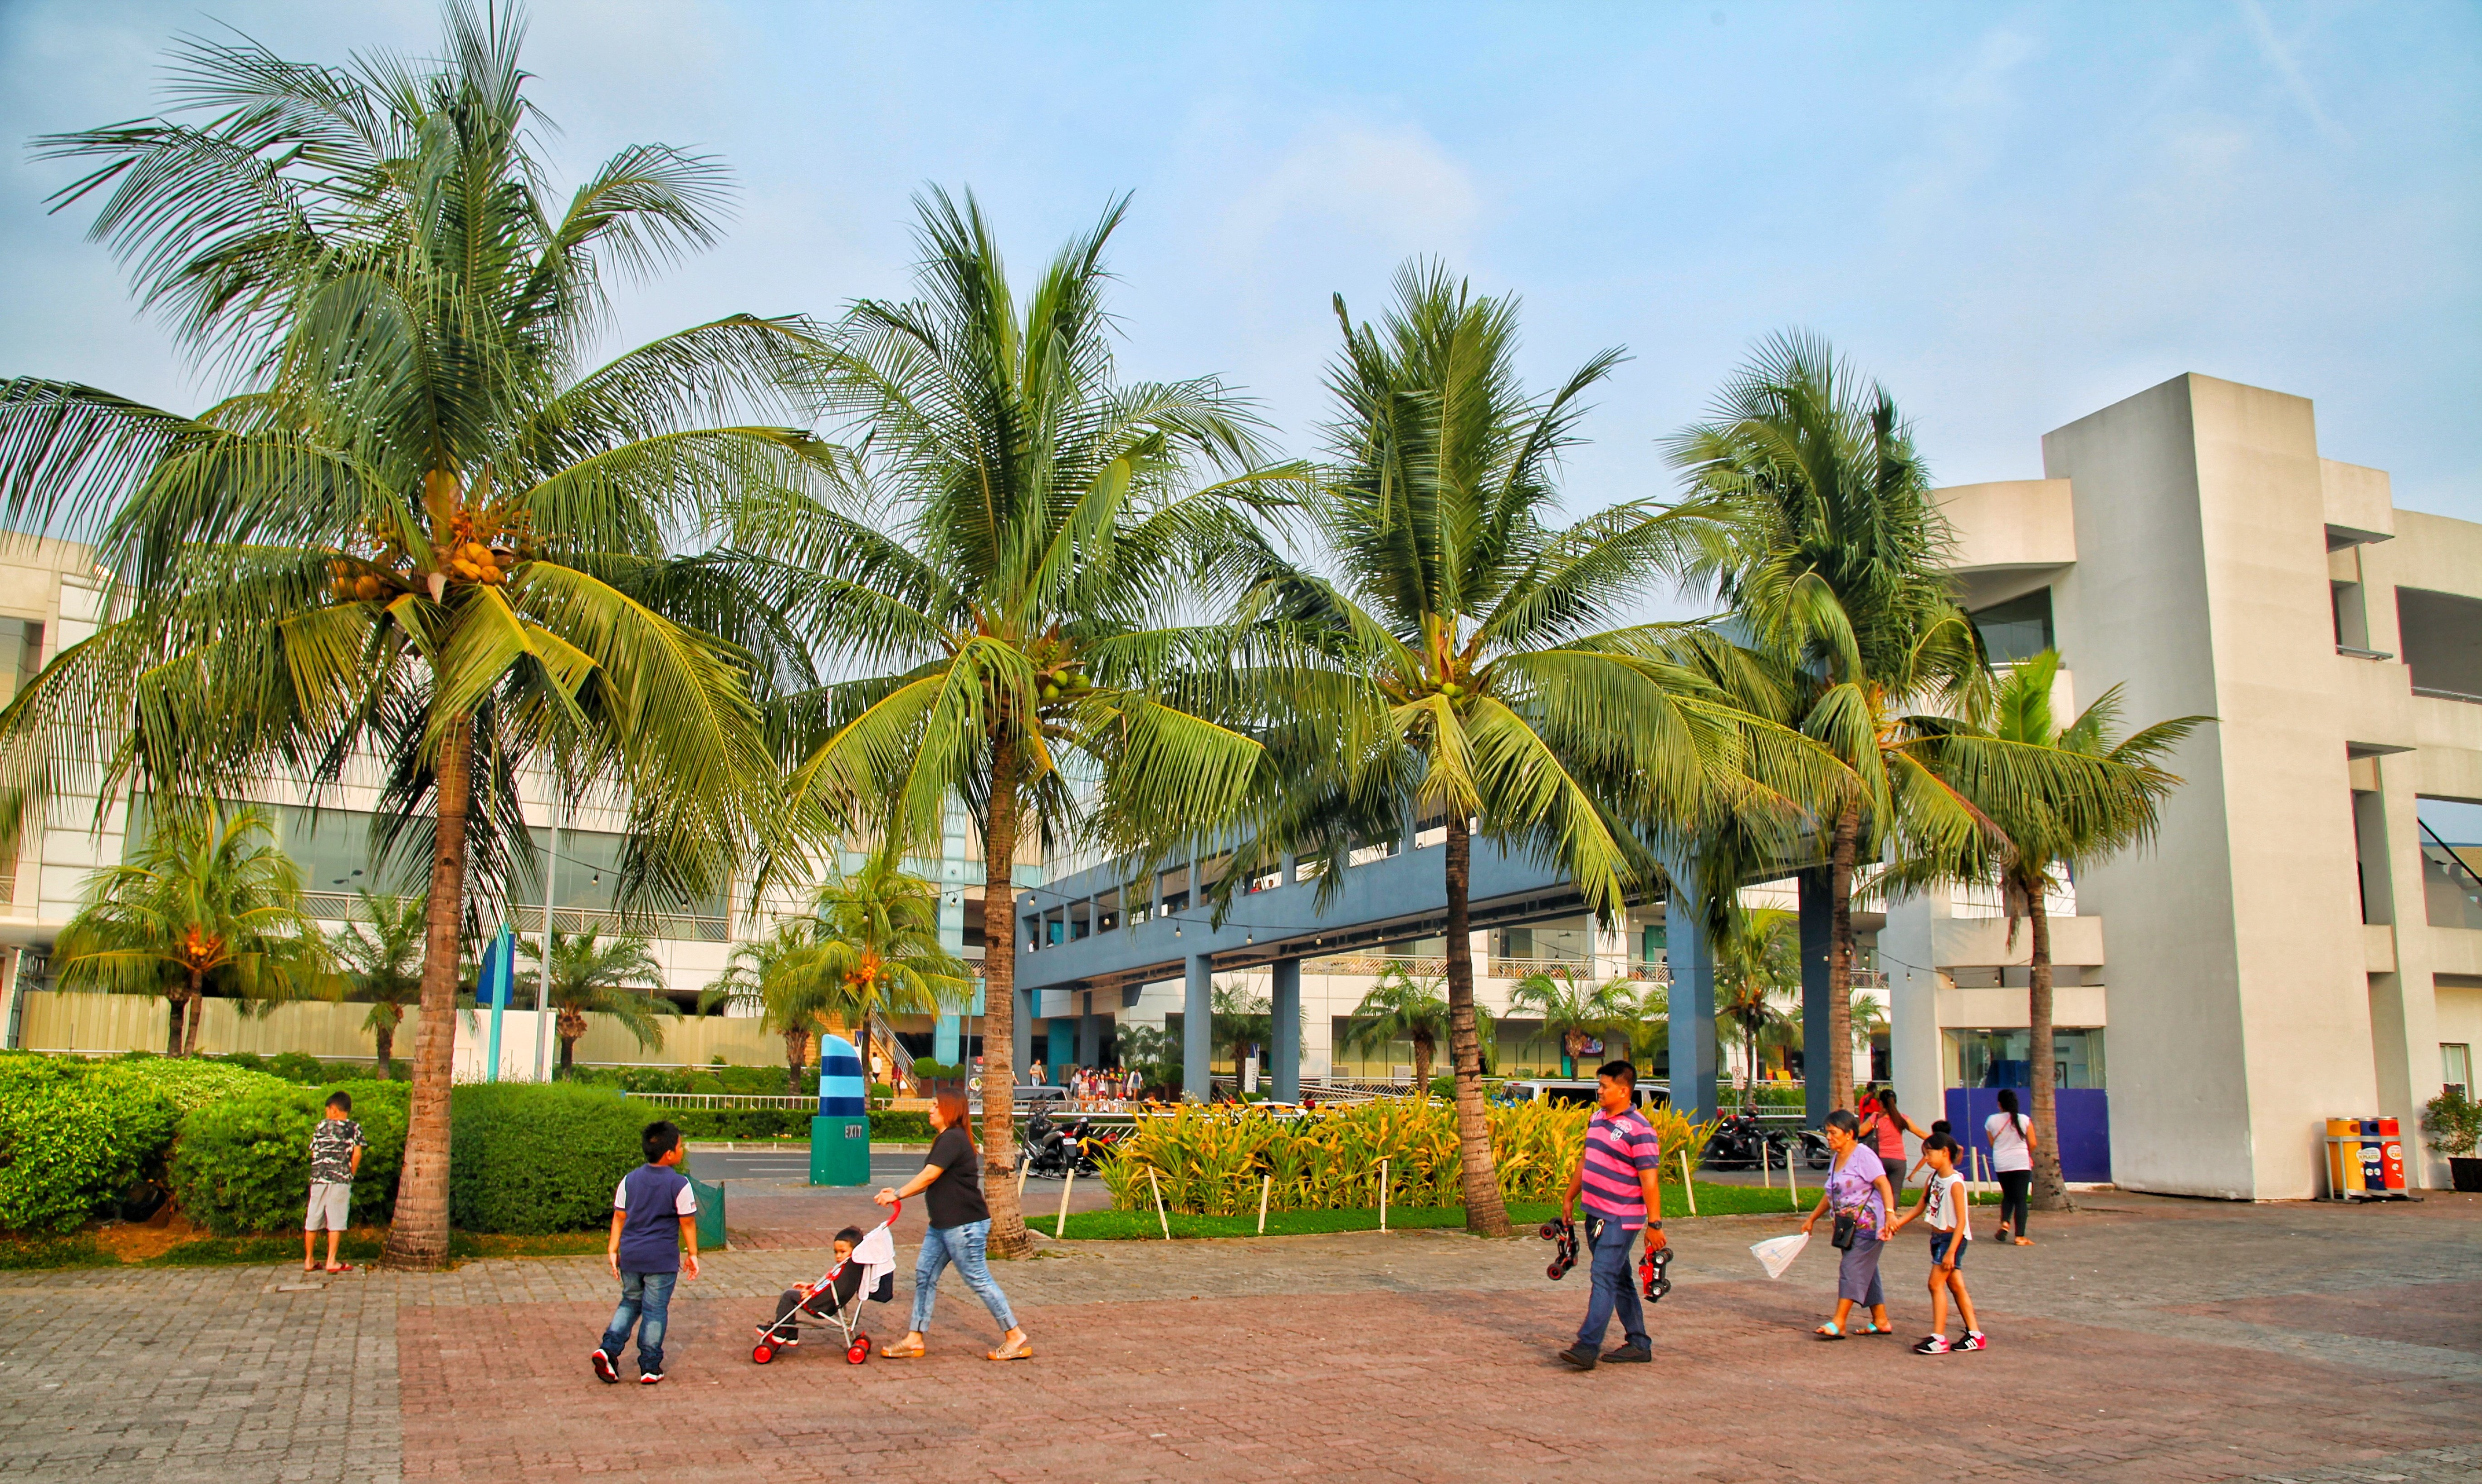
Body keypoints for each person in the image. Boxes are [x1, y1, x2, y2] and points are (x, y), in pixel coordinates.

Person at [874, 1090, 1031, 1361]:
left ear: (951, 1109)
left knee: (978, 1279)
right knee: (924, 1275)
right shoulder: (948, 1139)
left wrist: (897, 1194)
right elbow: (931, 1180)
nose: (930, 1110)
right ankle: (915, 1338)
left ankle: (1015, 1336)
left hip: (964, 1226)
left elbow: (929, 1176)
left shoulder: (953, 1138)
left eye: (936, 1105)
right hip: (943, 1225)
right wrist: (899, 1193)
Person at [1553, 1060, 1666, 1371]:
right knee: (1618, 1278)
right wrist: (1569, 1196)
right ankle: (1638, 1343)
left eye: (1604, 1086)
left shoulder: (1640, 1130)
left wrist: (1654, 1225)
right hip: (1595, 1212)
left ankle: (1587, 1346)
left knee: (1603, 1275)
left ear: (1623, 1090)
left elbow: (1650, 1181)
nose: (1599, 1091)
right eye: (1599, 1085)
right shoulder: (1597, 1119)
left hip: (1621, 1216)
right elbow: (1586, 1159)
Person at [592, 1120, 700, 1386]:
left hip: (631, 1256)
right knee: (654, 1310)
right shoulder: (680, 1184)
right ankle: (650, 1366)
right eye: (680, 1146)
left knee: (630, 1301)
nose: (682, 1150)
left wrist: (612, 1249)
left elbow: (619, 1217)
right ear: (670, 1154)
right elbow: (687, 1222)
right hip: (661, 1261)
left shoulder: (629, 1180)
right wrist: (693, 1254)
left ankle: (608, 1350)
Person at [1800, 1108, 1896, 1339]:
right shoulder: (1836, 1158)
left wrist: (1891, 1213)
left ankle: (1839, 1321)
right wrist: (1812, 1218)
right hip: (1847, 1227)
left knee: (1851, 1269)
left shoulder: (1863, 1155)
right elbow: (1831, 1192)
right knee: (1865, 1270)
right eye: (1828, 1132)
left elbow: (1883, 1184)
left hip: (1870, 1224)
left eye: (1834, 1133)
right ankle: (1880, 1320)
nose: (1829, 1137)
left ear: (1850, 1134)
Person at [1890, 1132, 1986, 1353]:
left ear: (1945, 1153)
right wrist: (1898, 1223)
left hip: (1951, 1240)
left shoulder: (1955, 1183)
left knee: (1935, 1284)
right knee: (1955, 1285)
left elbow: (1962, 1221)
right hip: (1937, 1239)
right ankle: (1975, 1334)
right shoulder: (1933, 1179)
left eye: (1929, 1153)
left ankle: (1939, 1337)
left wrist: (1952, 1251)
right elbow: (1919, 1207)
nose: (1927, 1158)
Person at [769, 1225, 866, 1348]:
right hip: (825, 1301)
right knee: (791, 1295)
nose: (838, 1256)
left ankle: (782, 1331)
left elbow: (834, 1290)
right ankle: (790, 1331)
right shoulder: (848, 1270)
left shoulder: (846, 1272)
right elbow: (828, 1284)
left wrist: (812, 1294)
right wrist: (811, 1286)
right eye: (836, 1252)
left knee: (788, 1296)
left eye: (843, 1252)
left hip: (820, 1304)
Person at [302, 1090, 364, 1274]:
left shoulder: (321, 1126)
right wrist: (350, 1174)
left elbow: (314, 1151)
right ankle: (332, 1260)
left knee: (313, 1217)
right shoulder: (354, 1128)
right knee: (336, 1219)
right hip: (340, 1179)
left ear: (334, 1110)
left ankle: (309, 1259)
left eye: (328, 1110)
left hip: (319, 1178)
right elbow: (358, 1154)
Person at [1985, 1088, 2037, 1245]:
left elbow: (1993, 1143)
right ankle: (2020, 1236)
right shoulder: (2024, 1120)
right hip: (2020, 1162)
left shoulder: (1991, 1121)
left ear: (2000, 1104)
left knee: (2008, 1195)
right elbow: (2033, 1143)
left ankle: (2005, 1223)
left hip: (2002, 1162)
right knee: (2021, 1199)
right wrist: (2027, 1154)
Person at [1860, 1086, 1926, 1173]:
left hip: (1880, 1159)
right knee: (1896, 1187)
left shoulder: (1876, 1118)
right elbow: (1920, 1133)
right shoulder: (1902, 1119)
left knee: (1880, 1187)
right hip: (1899, 1161)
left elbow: (1860, 1132)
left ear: (1881, 1103)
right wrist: (1940, 1140)